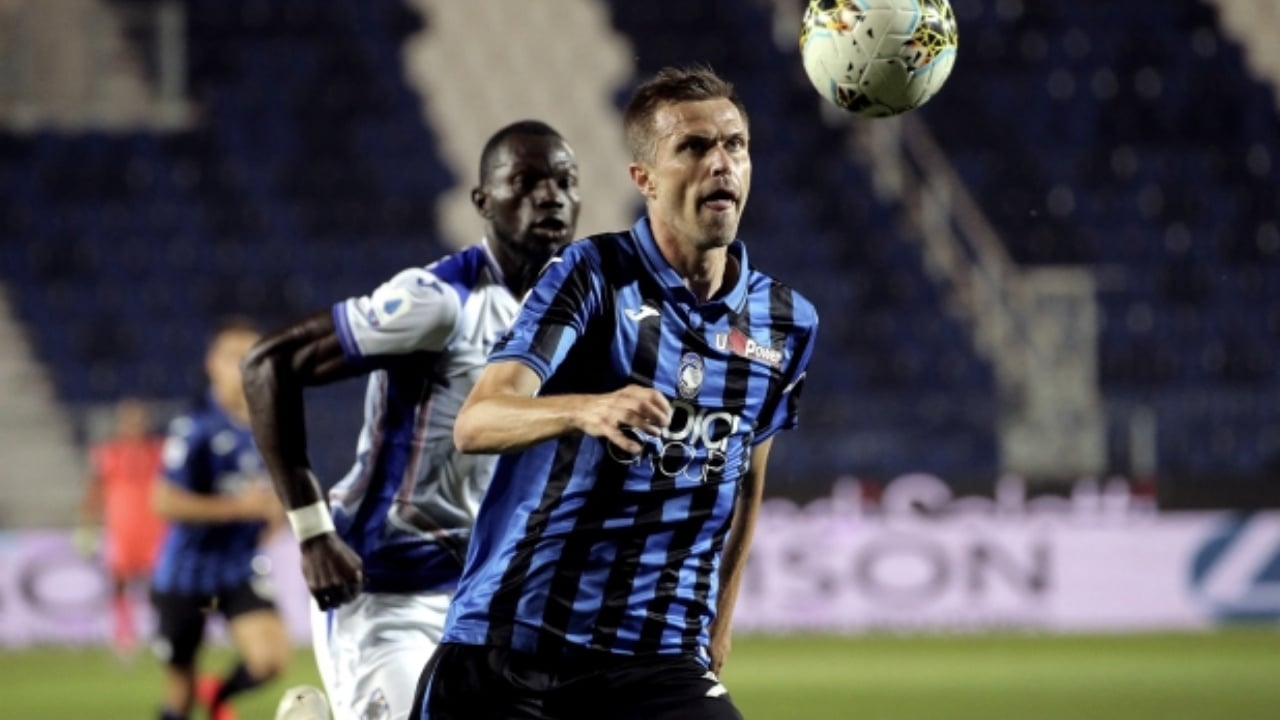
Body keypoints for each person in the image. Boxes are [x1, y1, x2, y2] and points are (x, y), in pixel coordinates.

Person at [414, 65, 819, 720]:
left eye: (735, 145)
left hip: (660, 656)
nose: (721, 163)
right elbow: (477, 421)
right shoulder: (592, 274)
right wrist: (588, 408)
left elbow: (746, 482)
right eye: (693, 147)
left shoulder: (786, 322)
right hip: (515, 645)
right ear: (645, 179)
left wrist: (721, 618)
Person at [241, 120, 581, 720]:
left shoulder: (573, 310)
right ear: (483, 201)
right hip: (385, 592)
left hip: (484, 602)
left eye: (564, 181)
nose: (550, 196)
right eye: (526, 182)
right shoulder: (439, 301)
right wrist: (312, 532)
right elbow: (267, 364)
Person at [150, 317, 290, 720]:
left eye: (253, 357)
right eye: (233, 357)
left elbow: (275, 492)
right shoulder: (195, 428)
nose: (244, 366)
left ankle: (218, 698)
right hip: (185, 574)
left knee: (269, 660)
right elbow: (163, 501)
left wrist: (276, 514)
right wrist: (238, 509)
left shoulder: (269, 427)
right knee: (180, 692)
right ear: (212, 363)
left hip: (237, 569)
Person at [77, 397, 166, 657]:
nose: (134, 425)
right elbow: (94, 491)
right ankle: (124, 637)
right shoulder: (107, 453)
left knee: (159, 584)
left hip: (155, 527)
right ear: (120, 422)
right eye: (129, 420)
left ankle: (162, 632)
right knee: (119, 582)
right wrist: (86, 528)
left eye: (139, 419)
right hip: (121, 527)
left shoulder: (160, 451)